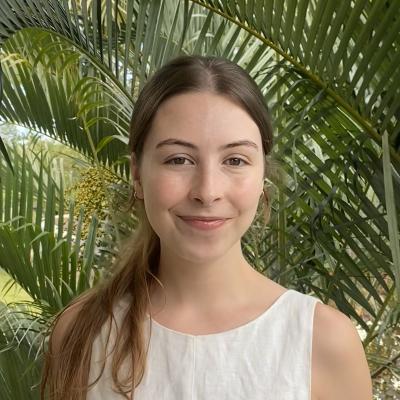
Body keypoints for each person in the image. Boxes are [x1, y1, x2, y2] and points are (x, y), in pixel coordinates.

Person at [41, 55, 373, 400]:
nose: (207, 191)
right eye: (179, 160)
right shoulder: (81, 332)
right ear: (137, 174)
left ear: (262, 176)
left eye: (235, 160)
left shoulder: (322, 341)